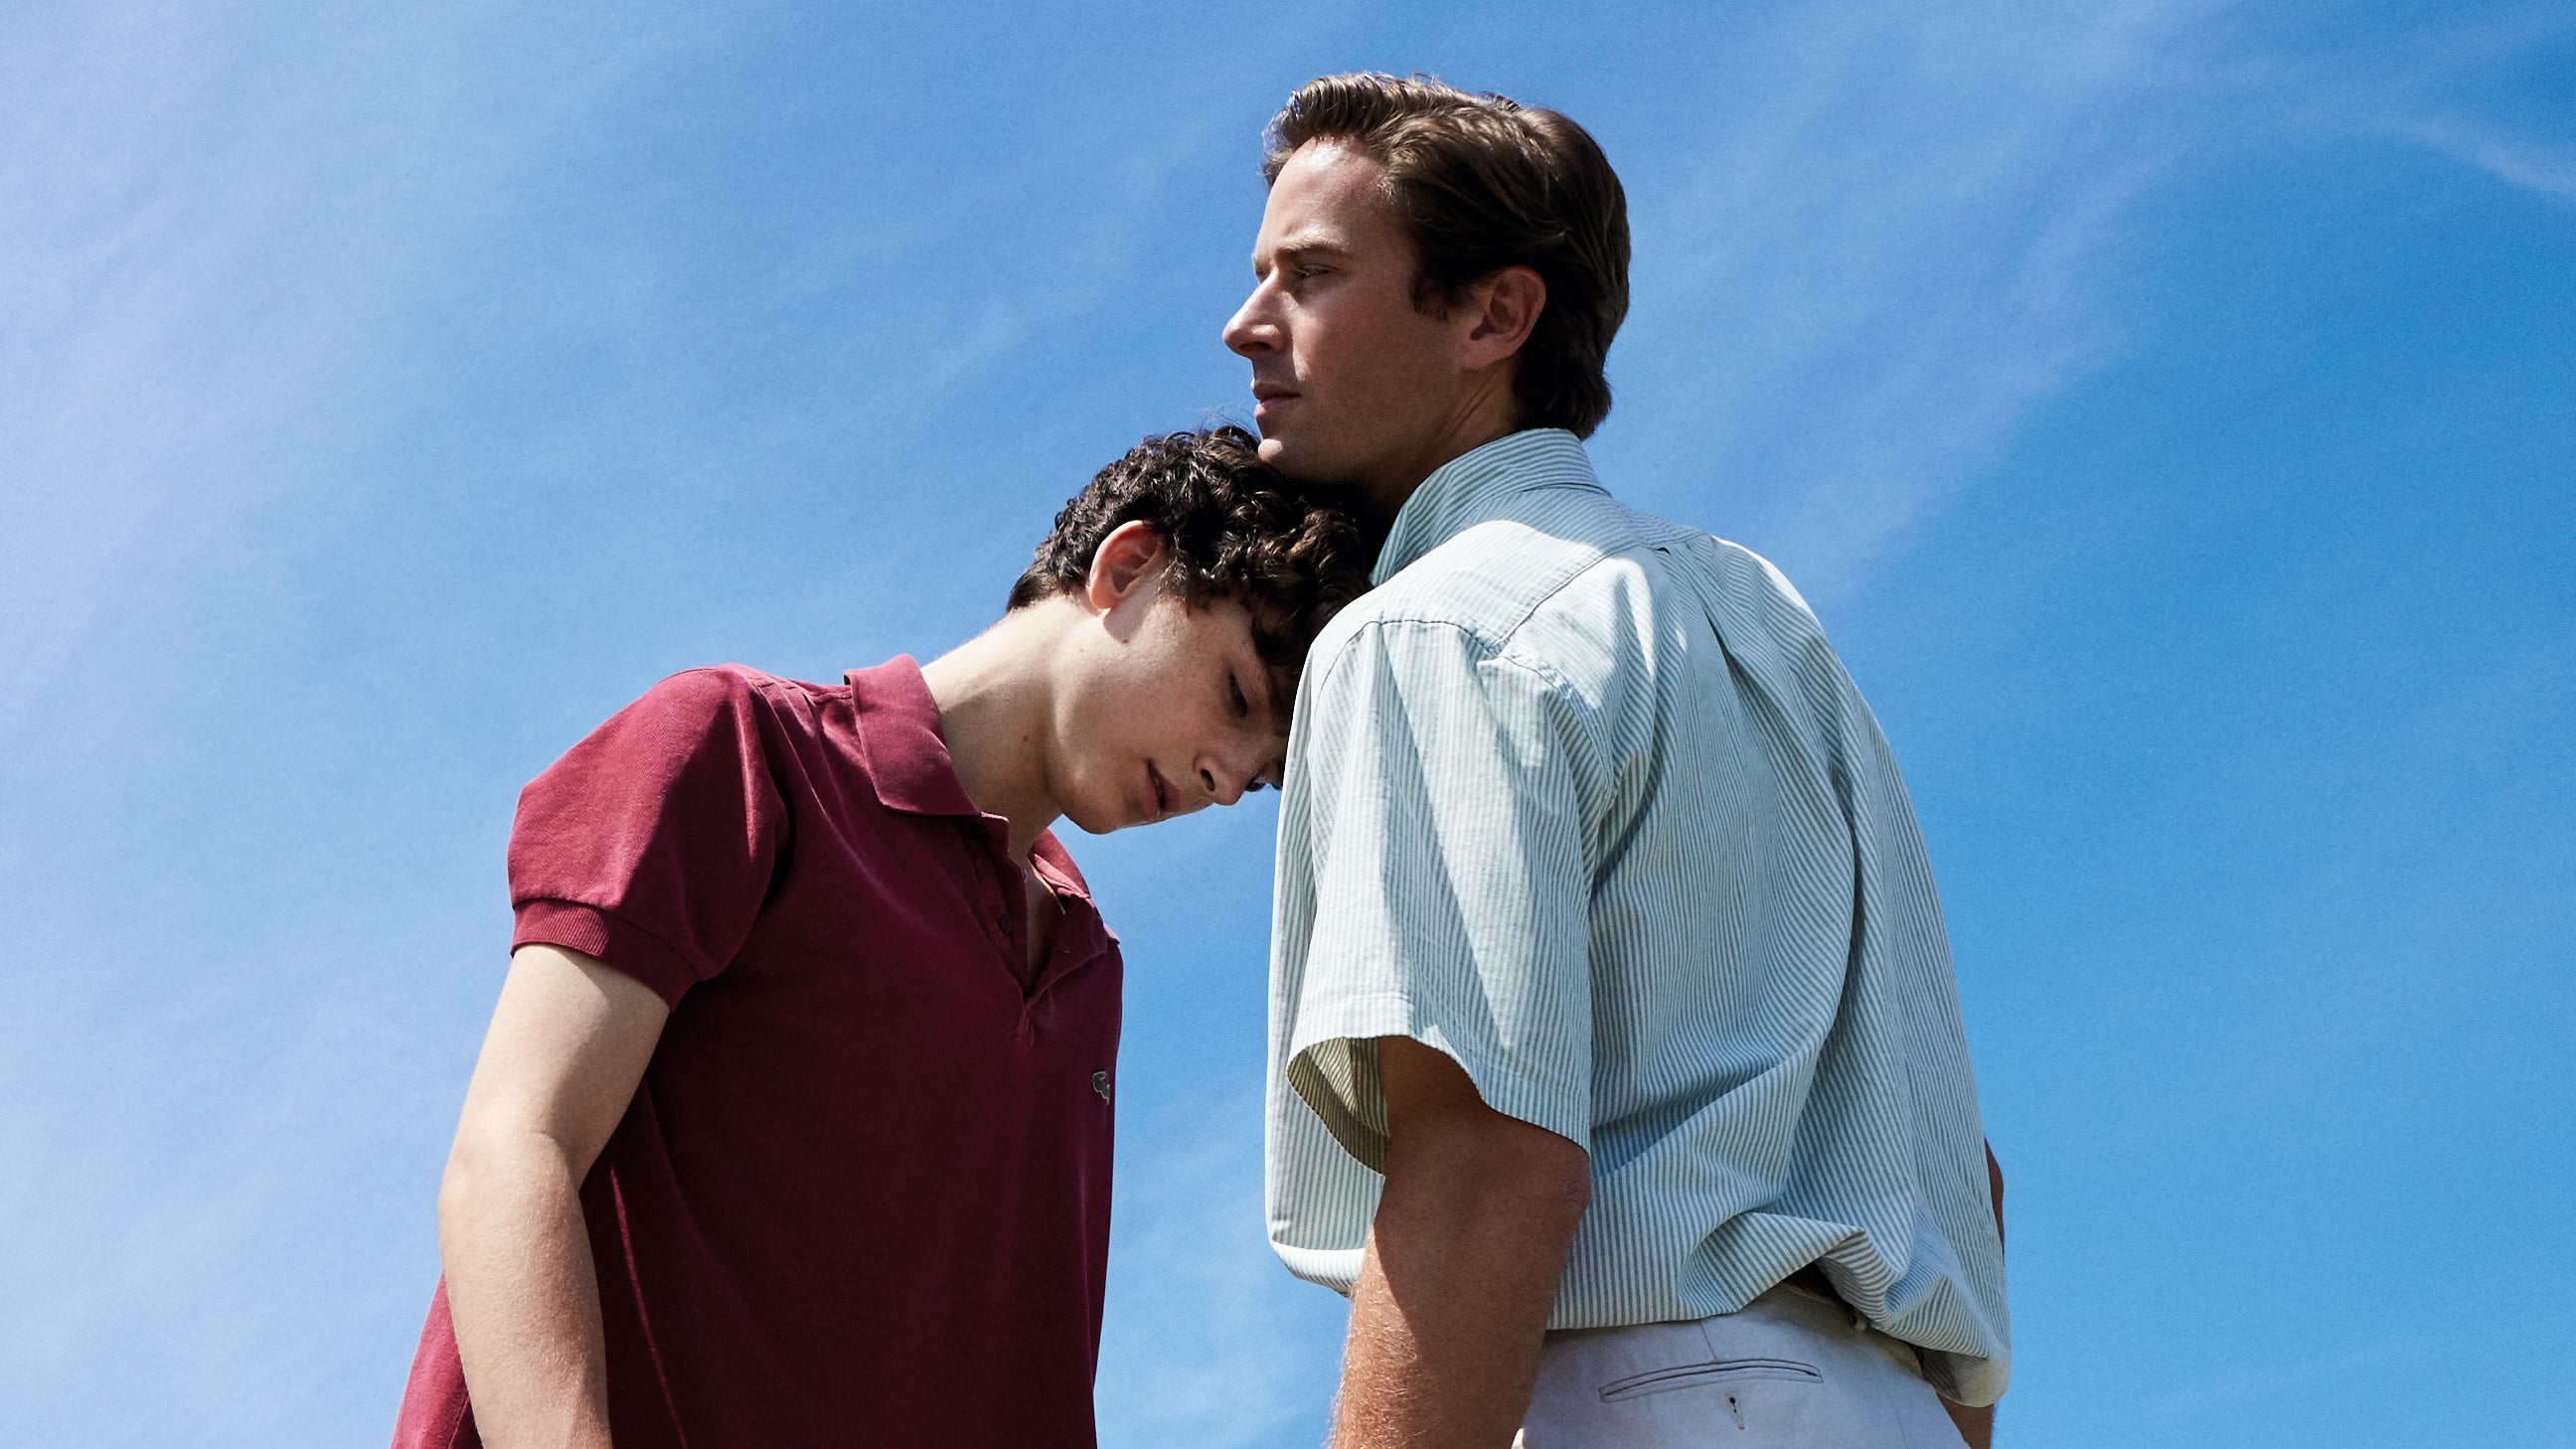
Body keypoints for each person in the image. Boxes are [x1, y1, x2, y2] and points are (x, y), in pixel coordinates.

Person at [1225, 74, 2012, 1447]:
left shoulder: (1432, 628)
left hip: (1647, 1396)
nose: (1246, 324)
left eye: (1313, 274)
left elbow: (1485, 1159)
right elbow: (1963, 1176)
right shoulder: (1765, 619)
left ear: (1495, 315)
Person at [388, 427, 1368, 1449]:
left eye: (1260, 775)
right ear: (1125, 567)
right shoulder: (743, 752)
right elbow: (513, 1149)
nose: (1225, 780)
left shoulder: (1088, 974)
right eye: (1235, 696)